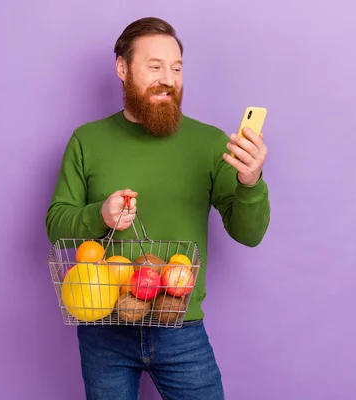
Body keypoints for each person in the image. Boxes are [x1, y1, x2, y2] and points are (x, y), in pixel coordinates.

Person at [45, 16, 270, 400]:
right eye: (154, 67)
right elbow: (56, 224)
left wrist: (250, 183)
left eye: (176, 68)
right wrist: (100, 214)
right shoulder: (87, 140)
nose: (168, 78)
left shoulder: (210, 142)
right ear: (122, 68)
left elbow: (249, 234)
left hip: (180, 326)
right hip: (103, 327)